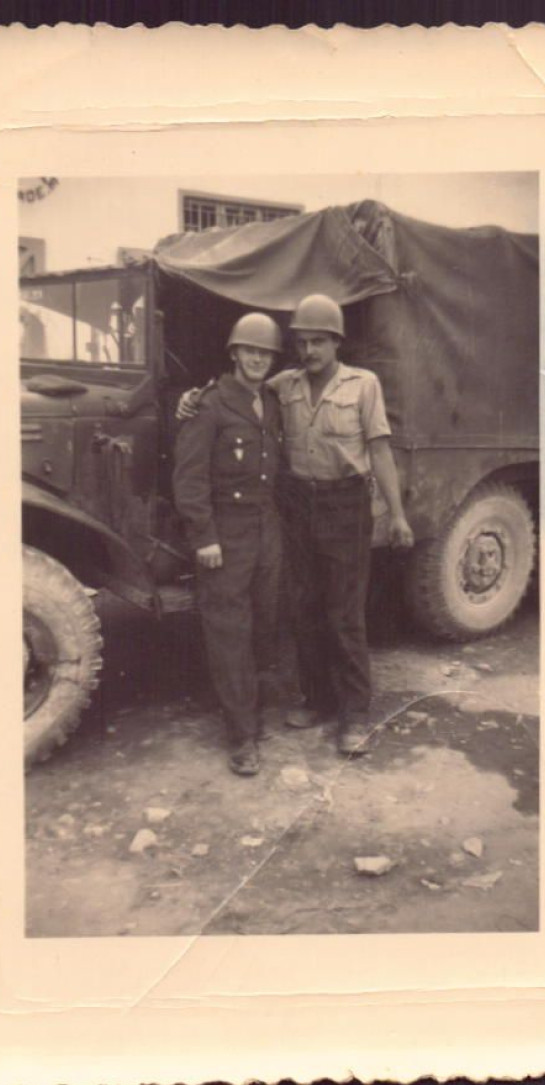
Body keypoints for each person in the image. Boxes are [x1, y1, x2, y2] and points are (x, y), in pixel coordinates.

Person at [178, 293, 414, 756]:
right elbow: (234, 393)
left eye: (319, 343)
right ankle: (318, 700)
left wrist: (398, 514)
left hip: (346, 505)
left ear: (337, 343)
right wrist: (190, 401)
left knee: (344, 614)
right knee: (303, 609)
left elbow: (380, 449)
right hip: (297, 506)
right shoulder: (282, 385)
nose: (309, 352)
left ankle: (353, 715)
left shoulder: (364, 385)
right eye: (302, 343)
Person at [173, 312, 284, 776]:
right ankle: (242, 737)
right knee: (229, 631)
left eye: (265, 353)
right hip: (226, 534)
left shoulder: (272, 402)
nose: (258, 359)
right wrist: (205, 537)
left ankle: (248, 710)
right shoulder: (208, 405)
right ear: (235, 353)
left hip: (266, 530)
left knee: (263, 624)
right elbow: (189, 477)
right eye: (250, 351)